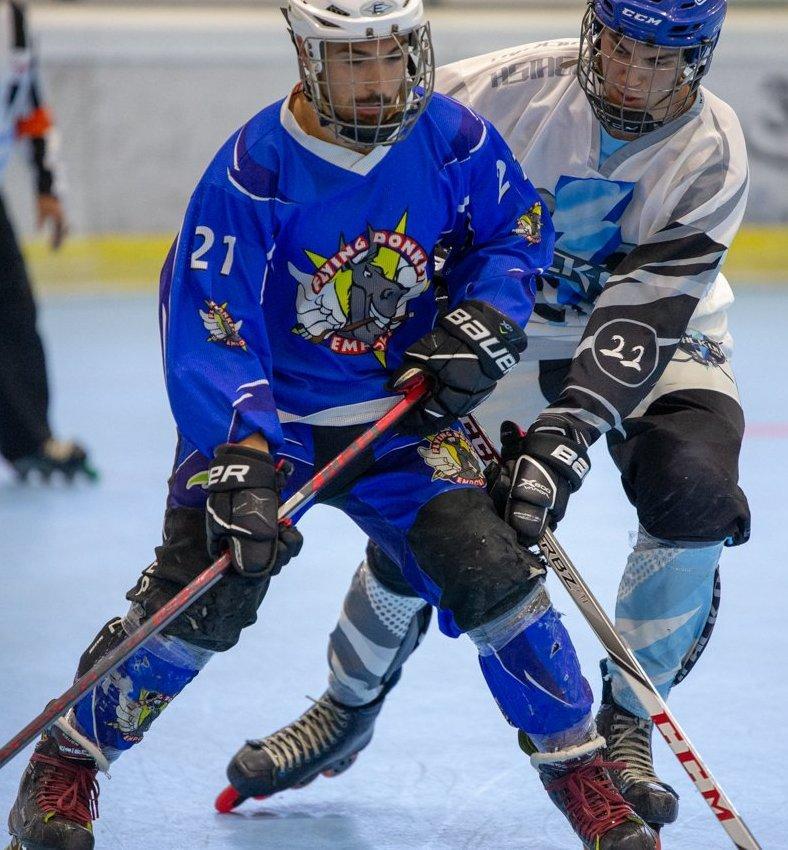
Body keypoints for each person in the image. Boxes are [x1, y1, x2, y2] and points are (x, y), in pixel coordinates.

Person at [6, 2, 658, 848]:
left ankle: (584, 776)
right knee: (207, 590)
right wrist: (240, 453)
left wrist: (486, 317)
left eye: (395, 55)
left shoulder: (454, 141)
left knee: (493, 566)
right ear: (309, 60)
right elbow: (208, 314)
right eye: (356, 61)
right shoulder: (253, 171)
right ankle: (68, 761)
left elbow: (511, 237)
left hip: (397, 416)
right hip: (271, 417)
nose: (382, 80)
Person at [230, 0, 751, 836]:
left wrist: (569, 435)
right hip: (501, 328)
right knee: (441, 528)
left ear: (700, 57)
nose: (631, 75)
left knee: (695, 495)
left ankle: (627, 723)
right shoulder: (493, 93)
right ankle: (346, 703)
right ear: (594, 31)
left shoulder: (714, 149)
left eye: (660, 59)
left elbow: (639, 319)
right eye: (619, 48)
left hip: (661, 334)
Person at [0, 0, 95, 482]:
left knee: (14, 315)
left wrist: (46, 186)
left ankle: (29, 439)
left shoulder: (12, 17)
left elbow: (26, 100)